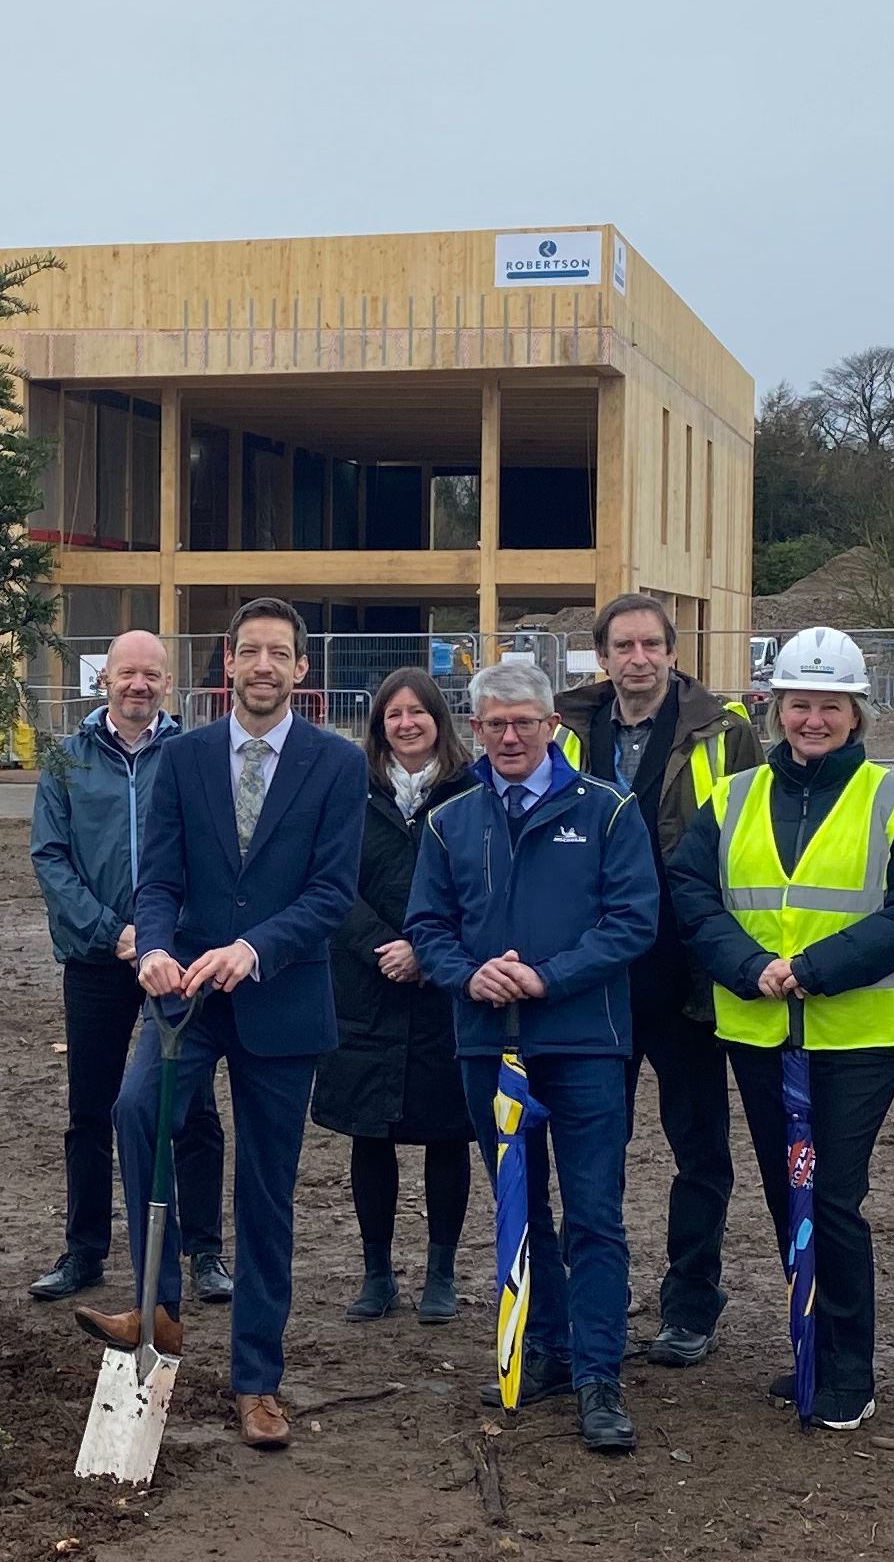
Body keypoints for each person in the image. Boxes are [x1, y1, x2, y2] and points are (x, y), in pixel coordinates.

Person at [76, 599, 365, 1451]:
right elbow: (158, 877)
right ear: (226, 666)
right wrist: (154, 949)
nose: (265, 666)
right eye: (250, 653)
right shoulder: (187, 757)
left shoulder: (336, 766)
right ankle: (157, 1307)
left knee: (266, 1192)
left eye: (281, 653)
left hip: (279, 997)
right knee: (136, 1109)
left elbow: (330, 893)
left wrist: (255, 946)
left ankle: (256, 1382)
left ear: (301, 670)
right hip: (188, 993)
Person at [667, 625, 894, 1431]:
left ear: (857, 712)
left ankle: (846, 1372)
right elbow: (693, 894)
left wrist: (818, 968)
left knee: (832, 1195)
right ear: (774, 707)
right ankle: (811, 1348)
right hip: (760, 1028)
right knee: (786, 1194)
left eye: (830, 705)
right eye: (798, 703)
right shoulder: (733, 797)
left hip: (858, 1032)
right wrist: (747, 963)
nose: (812, 719)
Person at [407, 659, 662, 1454]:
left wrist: (546, 979)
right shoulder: (452, 821)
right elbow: (428, 926)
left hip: (584, 1044)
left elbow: (632, 922)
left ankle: (598, 1376)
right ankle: (547, 1349)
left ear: (553, 726)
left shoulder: (610, 811)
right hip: (488, 1045)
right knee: (522, 1209)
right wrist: (465, 972)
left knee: (594, 1213)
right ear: (475, 731)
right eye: (494, 724)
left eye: (525, 722)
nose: (510, 736)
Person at [552, 590, 763, 1366]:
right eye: (622, 647)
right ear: (602, 657)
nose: (637, 659)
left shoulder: (726, 732)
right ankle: (589, 1297)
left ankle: (691, 1300)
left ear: (673, 652)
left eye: (651, 645)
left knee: (699, 1147)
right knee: (591, 1144)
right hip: (594, 977)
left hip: (689, 974)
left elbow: (753, 840)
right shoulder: (566, 729)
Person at [27, 628, 226, 1304]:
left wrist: (169, 936)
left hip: (177, 962)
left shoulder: (196, 756)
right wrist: (113, 933)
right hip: (98, 959)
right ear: (104, 680)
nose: (138, 685)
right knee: (91, 1107)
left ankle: (204, 1250)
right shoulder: (68, 761)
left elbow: (217, 852)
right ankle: (84, 1248)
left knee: (191, 1106)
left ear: (168, 685)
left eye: (151, 675)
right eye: (127, 674)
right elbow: (50, 858)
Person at [312, 669, 480, 1322]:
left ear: (440, 718)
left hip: (444, 988)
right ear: (378, 724)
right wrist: (382, 945)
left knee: (447, 1133)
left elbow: (483, 887)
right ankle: (376, 1272)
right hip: (364, 986)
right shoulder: (349, 792)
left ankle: (441, 1273)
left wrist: (426, 952)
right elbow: (327, 883)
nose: (406, 724)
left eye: (418, 712)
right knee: (369, 1133)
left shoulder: (471, 794)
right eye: (393, 714)